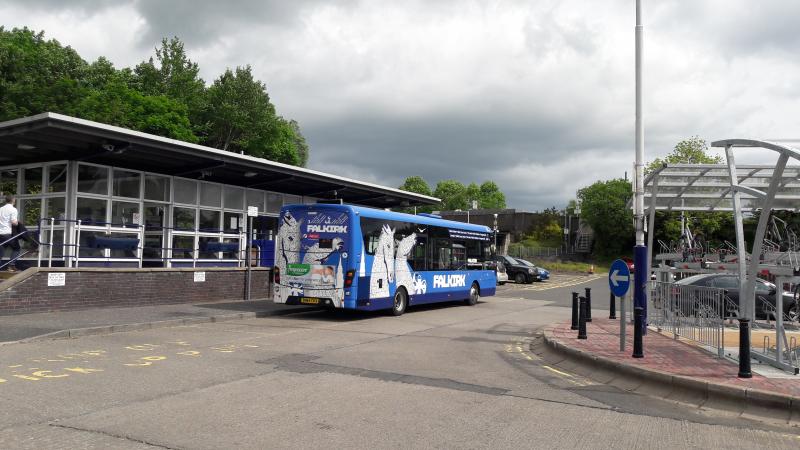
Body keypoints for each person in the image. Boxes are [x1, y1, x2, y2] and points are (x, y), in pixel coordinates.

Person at [0, 195, 20, 271]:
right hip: (7, 233)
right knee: (17, 248)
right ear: (13, 200)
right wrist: (18, 223)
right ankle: (11, 265)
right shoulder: (13, 209)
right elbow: (14, 222)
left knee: (1, 249)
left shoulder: (0, 209)